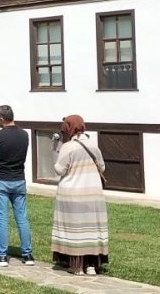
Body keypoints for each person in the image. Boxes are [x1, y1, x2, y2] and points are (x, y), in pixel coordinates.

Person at [52, 115, 109, 276]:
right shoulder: (93, 145)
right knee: (90, 230)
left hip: (73, 194)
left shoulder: (68, 147)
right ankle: (91, 266)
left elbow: (59, 169)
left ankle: (76, 266)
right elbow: (102, 168)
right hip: (93, 194)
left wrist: (55, 149)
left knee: (75, 230)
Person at [0, 105, 34, 267]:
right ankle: (27, 255)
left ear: (1, 118)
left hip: (1, 180)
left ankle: (1, 255)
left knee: (2, 218)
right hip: (19, 179)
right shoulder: (24, 135)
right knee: (22, 217)